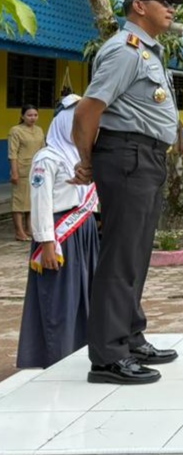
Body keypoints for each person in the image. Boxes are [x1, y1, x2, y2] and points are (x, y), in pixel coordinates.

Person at [70, 0, 183, 385]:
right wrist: (87, 161)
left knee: (135, 253)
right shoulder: (125, 51)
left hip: (146, 158)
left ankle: (131, 336)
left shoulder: (149, 53)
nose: (172, 10)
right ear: (139, 5)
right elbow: (88, 110)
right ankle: (107, 356)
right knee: (120, 257)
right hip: (126, 157)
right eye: (164, 2)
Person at [17, 95, 100, 369]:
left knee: (84, 294)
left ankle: (83, 349)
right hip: (59, 235)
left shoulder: (83, 156)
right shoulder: (47, 157)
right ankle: (57, 355)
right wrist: (47, 242)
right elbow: (40, 203)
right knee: (59, 299)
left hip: (84, 231)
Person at [8, 104, 45, 241]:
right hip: (22, 168)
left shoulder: (39, 130)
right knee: (19, 201)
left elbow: (43, 149)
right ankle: (19, 231)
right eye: (29, 115)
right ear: (22, 116)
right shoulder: (16, 131)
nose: (32, 118)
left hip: (36, 169)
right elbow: (13, 153)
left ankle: (29, 228)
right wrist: (14, 172)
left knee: (32, 200)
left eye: (35, 115)